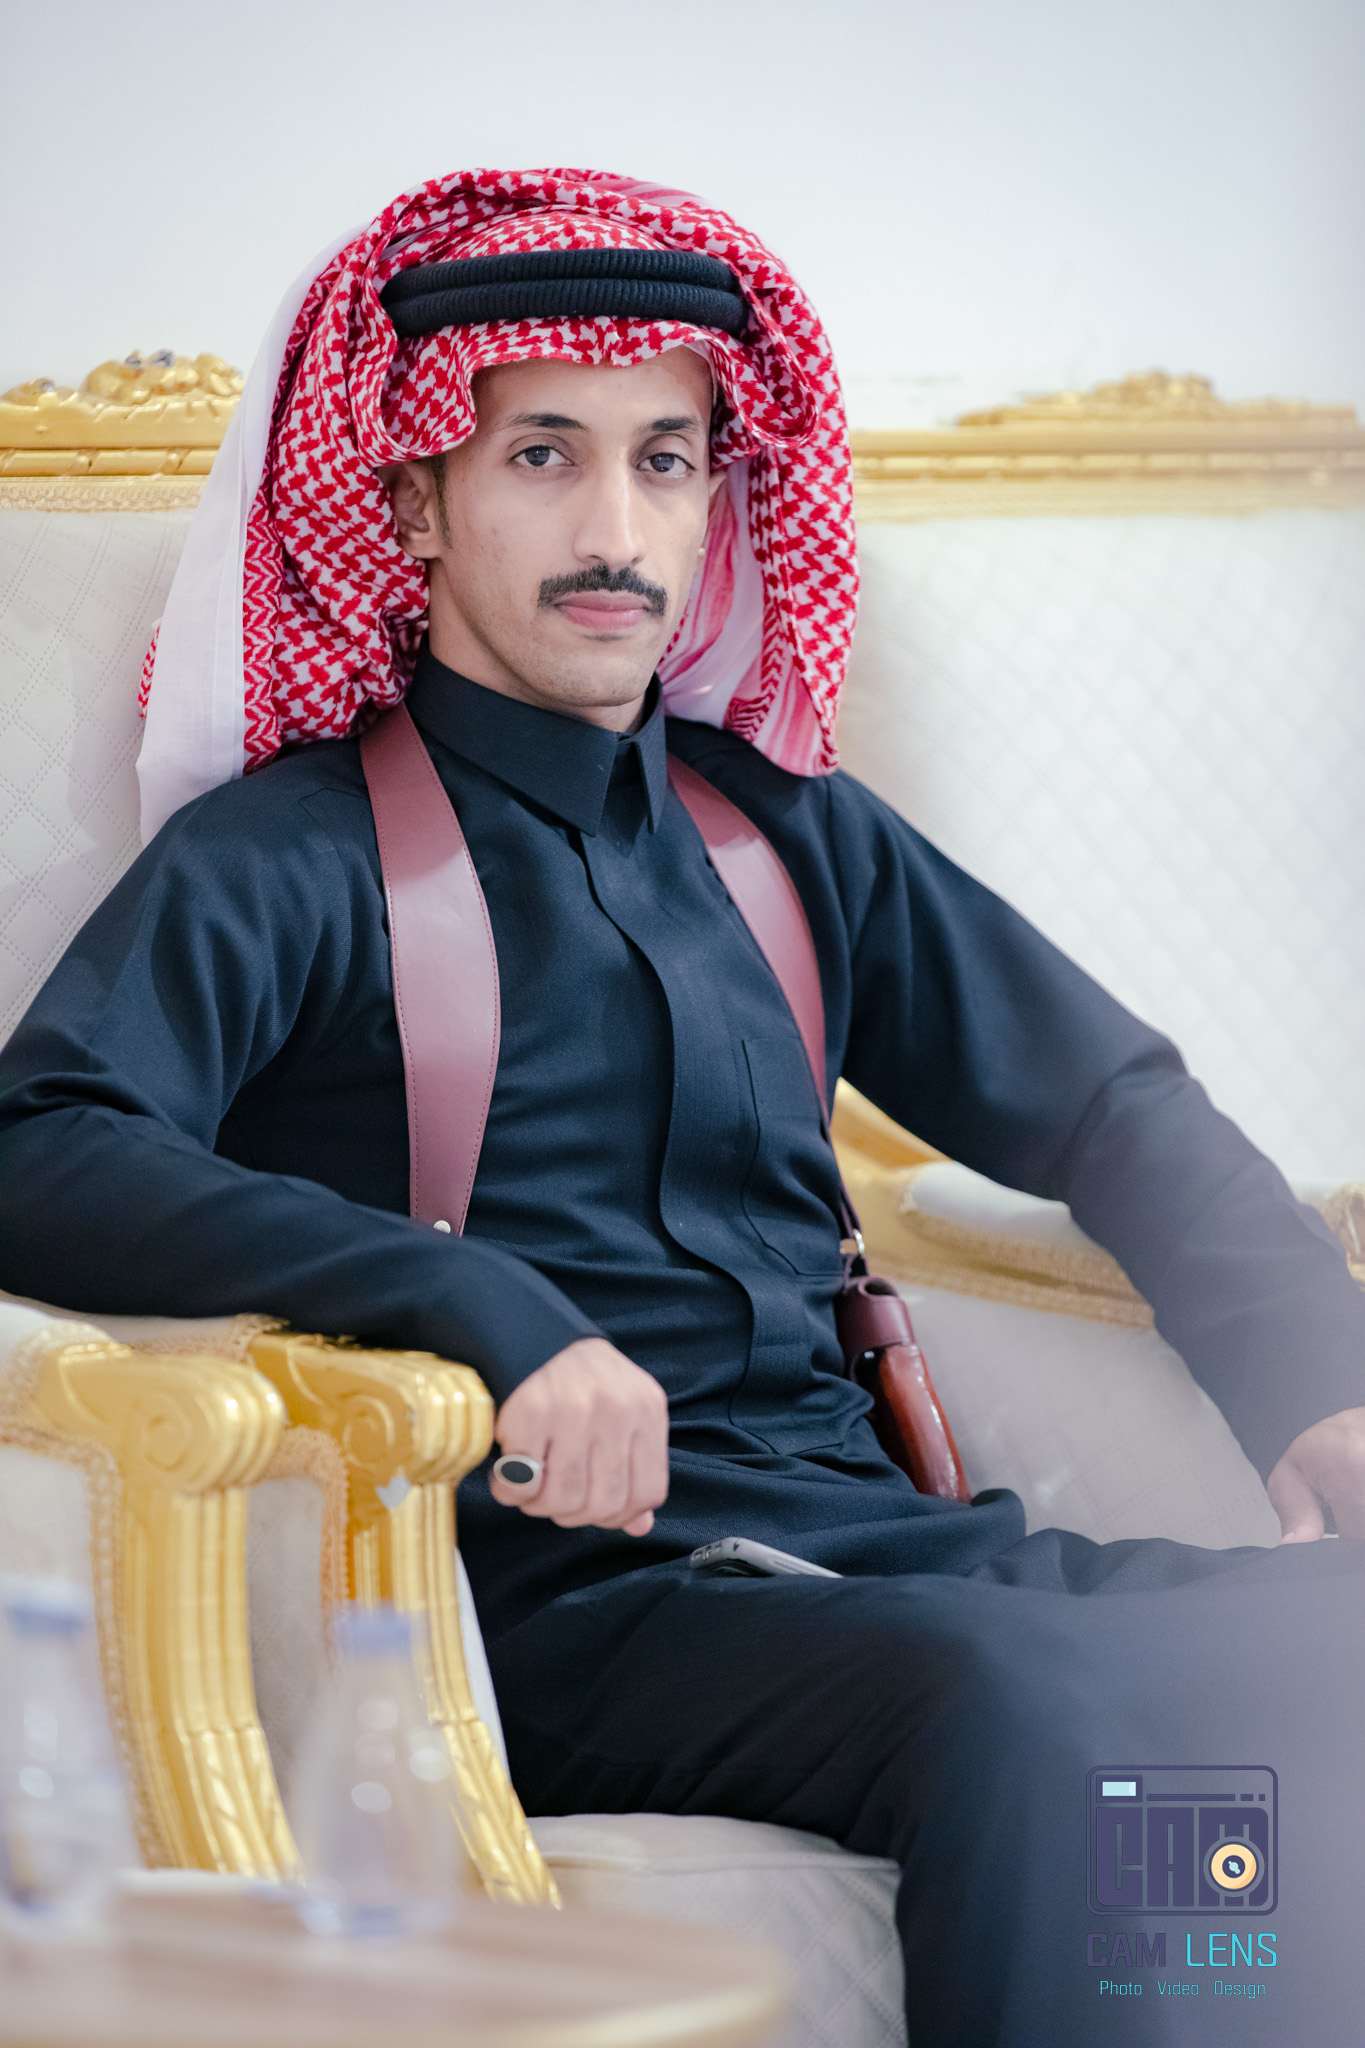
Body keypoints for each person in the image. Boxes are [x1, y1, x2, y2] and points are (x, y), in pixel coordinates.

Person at [2, 169, 1364, 2045]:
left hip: (882, 1551)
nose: (615, 532)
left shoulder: (783, 831)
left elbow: (1109, 1101)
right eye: (541, 457)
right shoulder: (285, 859)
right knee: (1027, 1702)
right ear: (412, 499)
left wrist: (1313, 1382)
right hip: (553, 1596)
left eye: (664, 463)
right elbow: (43, 1141)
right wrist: (474, 1300)